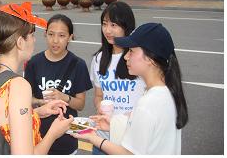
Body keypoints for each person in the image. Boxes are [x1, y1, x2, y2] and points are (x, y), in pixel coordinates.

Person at [72, 23, 188, 155]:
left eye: (131, 51)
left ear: (150, 58)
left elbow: (128, 154)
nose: (126, 56)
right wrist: (114, 125)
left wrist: (92, 137)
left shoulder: (148, 104)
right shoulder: (165, 91)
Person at [0, 2, 73, 154]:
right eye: (32, 35)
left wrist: (37, 112)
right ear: (20, 42)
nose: (34, 40)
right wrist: (53, 133)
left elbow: (0, 122)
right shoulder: (19, 86)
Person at [24, 14, 93, 155]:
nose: (55, 41)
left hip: (68, 139)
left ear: (70, 37)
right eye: (51, 34)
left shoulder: (78, 64)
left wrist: (64, 97)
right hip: (38, 138)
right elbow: (26, 100)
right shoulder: (33, 63)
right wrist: (40, 101)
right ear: (45, 34)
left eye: (61, 35)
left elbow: (80, 104)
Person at [90, 1, 146, 155]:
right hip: (103, 139)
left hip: (132, 139)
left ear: (126, 27)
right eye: (104, 24)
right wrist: (100, 107)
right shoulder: (98, 59)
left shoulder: (138, 58)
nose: (107, 30)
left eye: (114, 25)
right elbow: (98, 95)